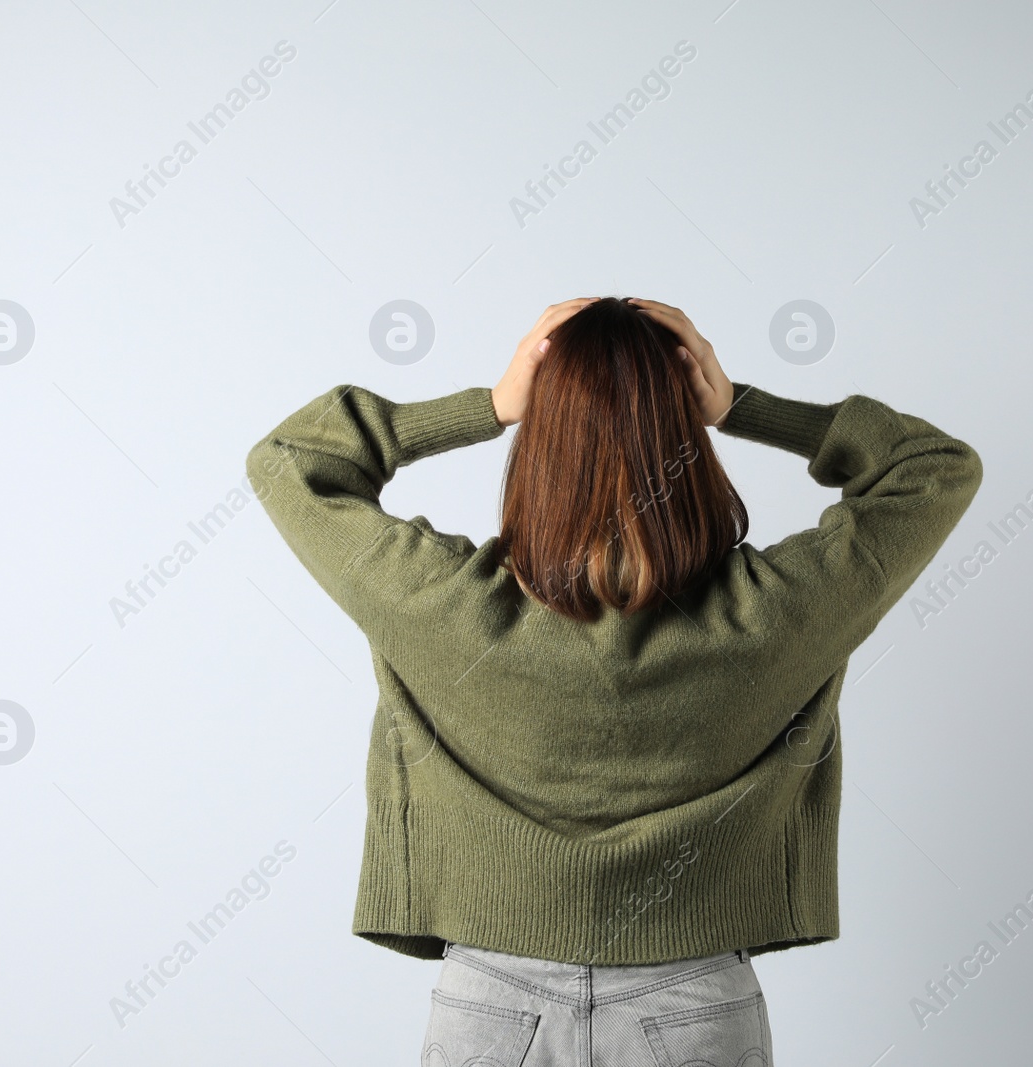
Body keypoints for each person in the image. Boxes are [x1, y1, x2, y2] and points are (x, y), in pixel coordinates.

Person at [246, 296, 983, 1065]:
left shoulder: (442, 603)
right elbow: (932, 468)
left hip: (492, 1003)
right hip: (695, 1005)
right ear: (688, 445)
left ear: (540, 442)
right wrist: (739, 407)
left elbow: (292, 460)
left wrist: (494, 405)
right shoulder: (774, 613)